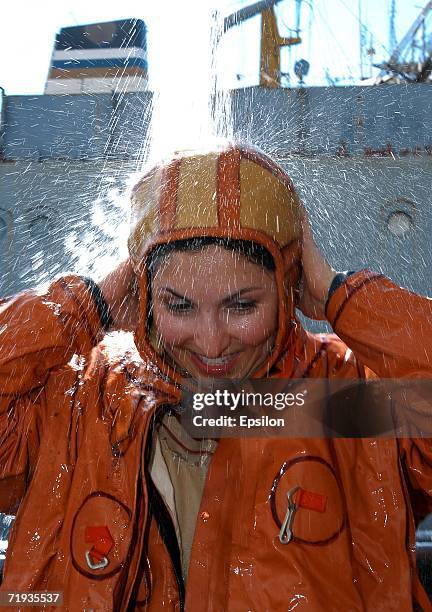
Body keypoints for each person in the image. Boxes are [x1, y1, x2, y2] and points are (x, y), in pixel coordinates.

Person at [0, 142, 432, 611]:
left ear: (290, 286)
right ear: (142, 291)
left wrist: (338, 295)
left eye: (241, 305)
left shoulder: (345, 396)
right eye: (178, 304)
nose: (210, 344)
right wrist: (91, 302)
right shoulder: (83, 400)